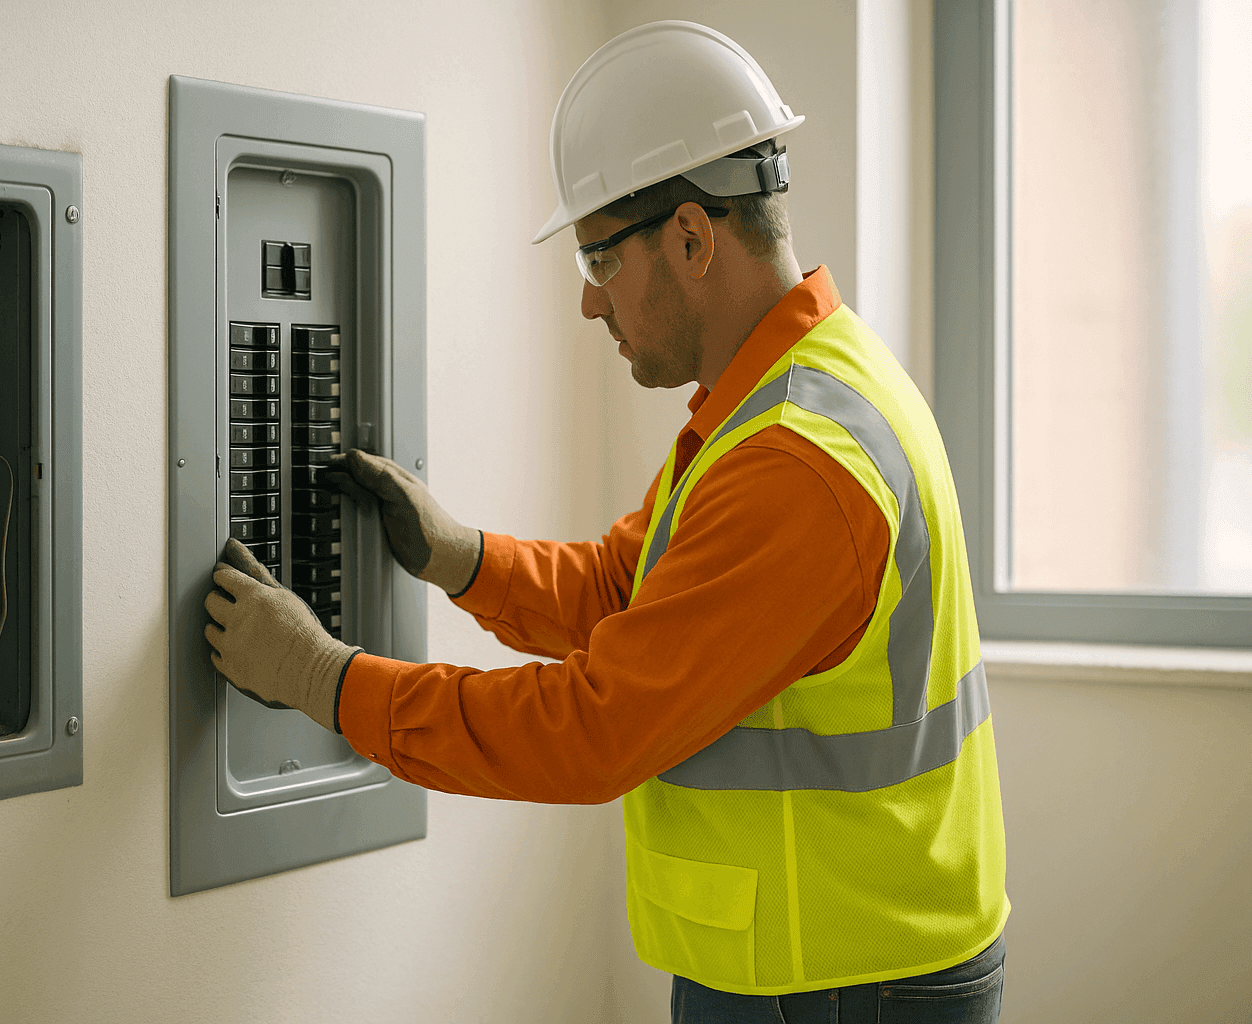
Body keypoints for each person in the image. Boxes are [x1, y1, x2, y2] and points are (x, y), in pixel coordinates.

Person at [204, 20, 1010, 1024]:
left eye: (597, 261)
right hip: (819, 968)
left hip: (842, 987)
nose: (591, 307)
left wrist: (324, 680)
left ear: (689, 236)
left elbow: (594, 730)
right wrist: (463, 558)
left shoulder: (796, 465)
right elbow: (632, 593)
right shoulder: (789, 398)